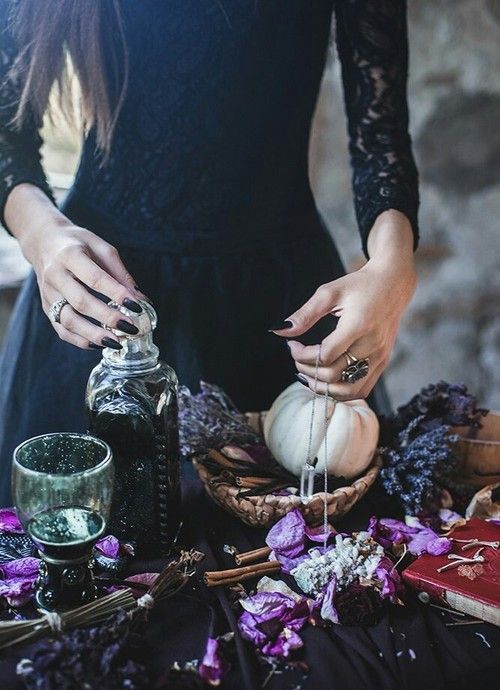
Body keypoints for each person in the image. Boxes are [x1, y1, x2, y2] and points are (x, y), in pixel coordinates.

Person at [0, 0, 418, 504]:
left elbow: (379, 134)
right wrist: (43, 239)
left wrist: (395, 268)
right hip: (100, 302)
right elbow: (7, 135)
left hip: (278, 312)